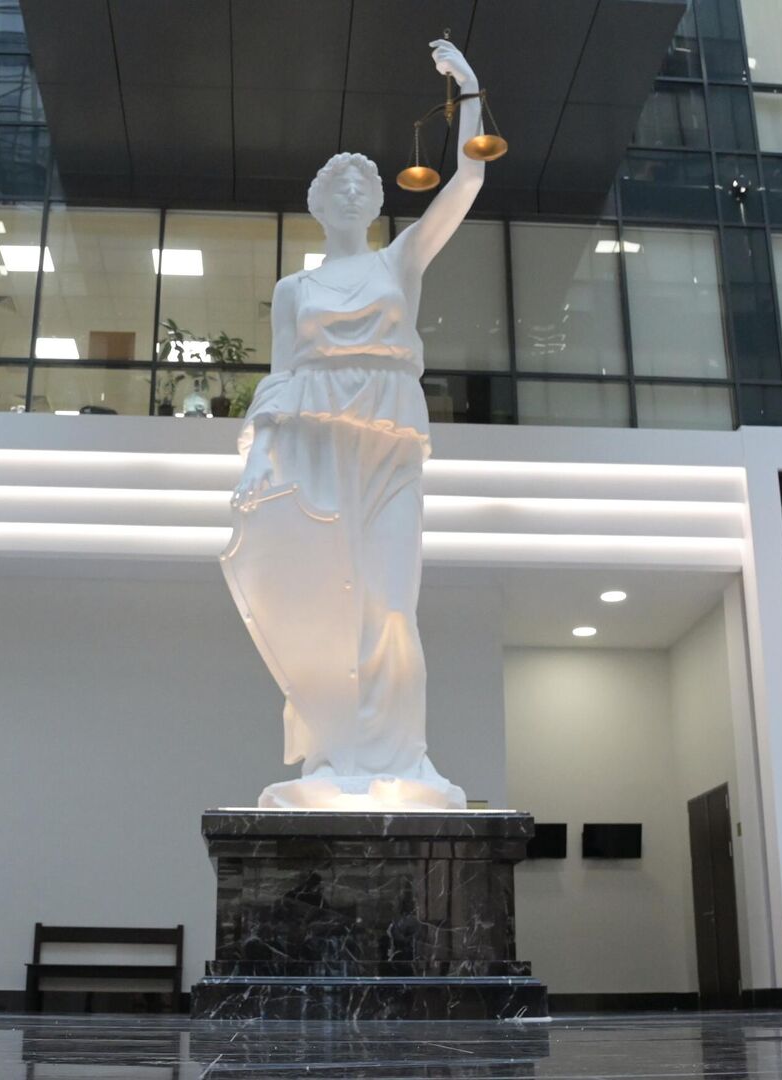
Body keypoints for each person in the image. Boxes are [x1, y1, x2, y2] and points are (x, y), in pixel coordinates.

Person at [225, 38, 488, 810]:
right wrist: (258, 460)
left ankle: (402, 757)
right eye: (337, 183)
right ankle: (334, 755)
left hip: (388, 437)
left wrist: (469, 91)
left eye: (363, 183)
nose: (350, 191)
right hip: (314, 443)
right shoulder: (294, 291)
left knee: (391, 599)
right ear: (317, 204)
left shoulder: (399, 262)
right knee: (328, 597)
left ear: (376, 204)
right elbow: (282, 378)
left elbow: (470, 178)